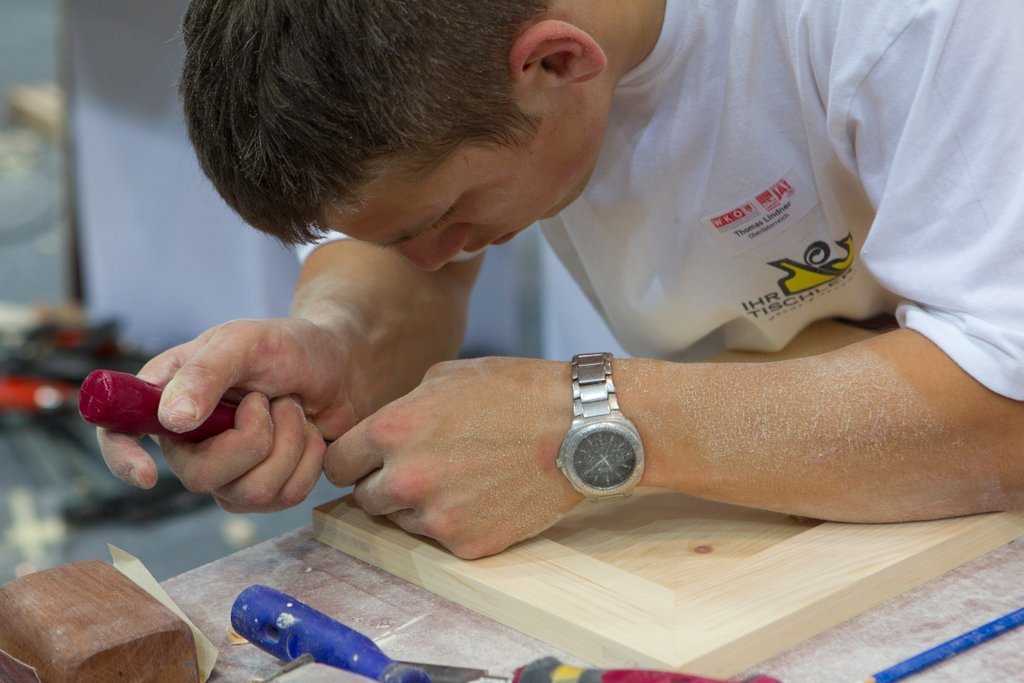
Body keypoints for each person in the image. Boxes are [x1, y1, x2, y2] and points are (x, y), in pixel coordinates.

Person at [97, 0, 1024, 559]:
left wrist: (587, 423)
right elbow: (400, 245)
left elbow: (1008, 409)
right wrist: (337, 336)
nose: (435, 255)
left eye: (449, 216)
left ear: (556, 62)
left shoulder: (915, 22)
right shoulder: (455, 60)